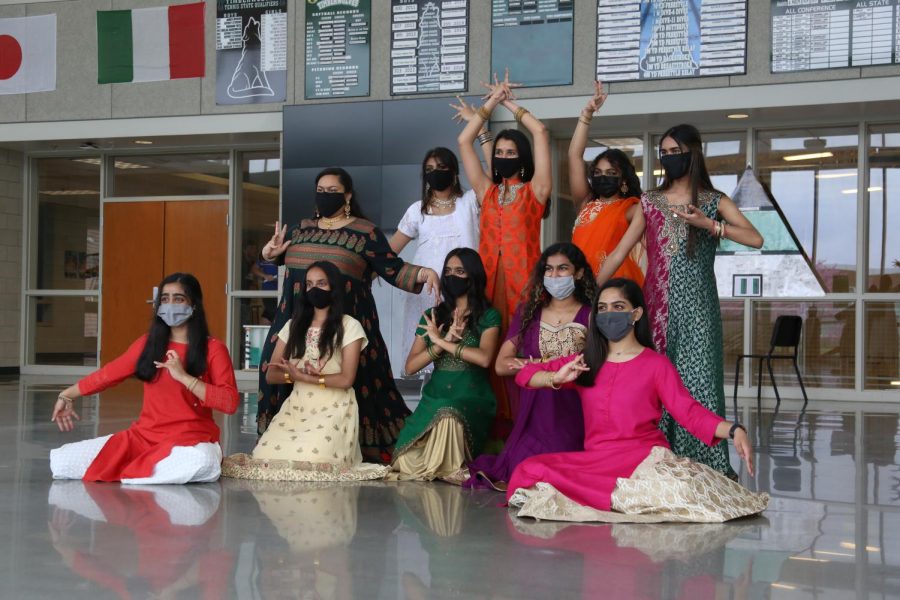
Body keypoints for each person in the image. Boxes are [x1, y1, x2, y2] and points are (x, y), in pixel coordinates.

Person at [506, 279, 768, 523]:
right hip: (596, 462)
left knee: (686, 489)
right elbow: (524, 376)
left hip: (644, 460)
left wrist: (734, 430)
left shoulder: (656, 365)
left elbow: (688, 412)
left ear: (636, 314)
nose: (609, 314)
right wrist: (557, 376)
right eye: (602, 308)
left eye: (618, 307)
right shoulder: (585, 362)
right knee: (530, 470)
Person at [597, 124, 763, 477]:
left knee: (699, 383)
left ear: (694, 154)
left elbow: (755, 238)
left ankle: (705, 467)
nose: (670, 158)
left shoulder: (714, 200)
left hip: (699, 309)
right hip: (656, 308)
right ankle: (661, 462)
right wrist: (590, 292)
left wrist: (711, 225)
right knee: (657, 385)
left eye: (677, 152)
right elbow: (620, 251)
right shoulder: (650, 202)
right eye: (665, 153)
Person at [257, 167, 440, 463]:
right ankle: (285, 442)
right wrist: (268, 253)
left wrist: (423, 272)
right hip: (294, 323)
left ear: (348, 196)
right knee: (278, 375)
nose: (325, 196)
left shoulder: (364, 232)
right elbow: (275, 256)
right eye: (321, 190)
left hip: (347, 331)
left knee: (357, 387)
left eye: (333, 191)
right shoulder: (299, 230)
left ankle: (350, 445)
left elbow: (392, 267)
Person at [49, 273, 239, 484]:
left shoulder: (213, 349)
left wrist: (184, 377)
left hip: (191, 440)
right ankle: (140, 472)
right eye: (165, 299)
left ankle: (135, 472)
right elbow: (107, 375)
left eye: (179, 299)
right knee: (62, 461)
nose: (170, 304)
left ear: (194, 304)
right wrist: (67, 395)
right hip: (144, 437)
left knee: (201, 462)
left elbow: (229, 402)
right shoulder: (148, 344)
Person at [223, 261, 389, 481]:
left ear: (334, 287)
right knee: (265, 455)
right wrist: (294, 375)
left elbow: (346, 379)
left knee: (315, 458)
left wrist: (307, 377)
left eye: (322, 283)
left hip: (334, 407)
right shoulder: (293, 326)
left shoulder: (349, 325)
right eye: (309, 284)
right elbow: (271, 375)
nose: (315, 289)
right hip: (298, 407)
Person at [456, 69, 551, 430]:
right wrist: (489, 104)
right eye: (499, 152)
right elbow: (465, 143)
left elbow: (540, 132)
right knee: (488, 354)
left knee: (521, 354)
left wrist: (510, 104)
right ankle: (491, 426)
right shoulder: (487, 191)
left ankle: (525, 426)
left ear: (521, 157)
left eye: (511, 152)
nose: (504, 156)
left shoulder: (535, 191)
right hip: (487, 286)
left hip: (524, 287)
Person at [466, 243, 596, 491]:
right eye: (549, 269)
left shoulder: (590, 315)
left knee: (564, 475)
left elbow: (593, 363)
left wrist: (534, 364)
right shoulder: (530, 312)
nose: (554, 276)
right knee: (524, 472)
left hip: (574, 409)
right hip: (535, 409)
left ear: (578, 273)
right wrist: (542, 366)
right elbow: (502, 365)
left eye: (562, 269)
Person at [389, 248, 500, 482]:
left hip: (471, 397)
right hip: (435, 395)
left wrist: (442, 341)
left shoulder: (488, 316)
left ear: (473, 276)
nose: (452, 276)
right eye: (448, 271)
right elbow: (409, 368)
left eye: (460, 271)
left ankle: (446, 466)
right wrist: (441, 343)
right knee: (404, 461)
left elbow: (484, 358)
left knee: (449, 412)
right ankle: (437, 464)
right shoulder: (433, 316)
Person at [390, 147, 481, 374]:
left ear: (454, 172)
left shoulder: (470, 202)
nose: (436, 173)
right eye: (429, 169)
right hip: (428, 295)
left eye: (442, 167)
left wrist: (481, 133)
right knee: (429, 360)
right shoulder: (416, 211)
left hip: (466, 292)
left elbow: (486, 176)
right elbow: (387, 254)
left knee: (466, 356)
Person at [567, 81, 644, 284]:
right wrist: (586, 114)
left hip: (615, 283)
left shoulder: (631, 207)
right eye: (598, 172)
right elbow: (574, 156)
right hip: (579, 282)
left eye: (611, 173)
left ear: (623, 180)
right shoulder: (586, 202)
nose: (603, 177)